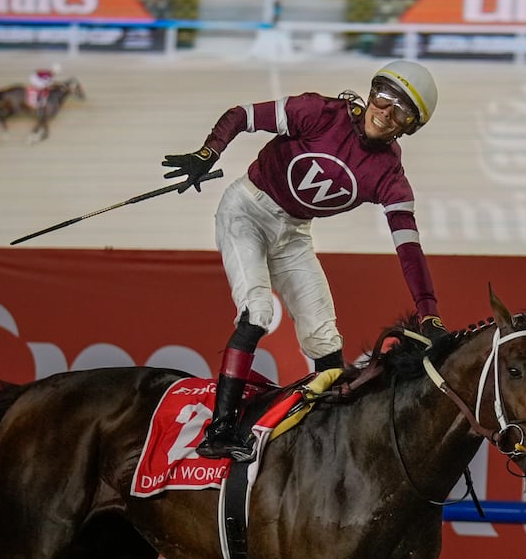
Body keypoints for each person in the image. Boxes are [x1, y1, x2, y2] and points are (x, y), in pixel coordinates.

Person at [162, 59, 447, 462]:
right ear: (371, 92)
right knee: (257, 311)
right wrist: (208, 152)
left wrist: (429, 312)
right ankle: (220, 430)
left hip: (293, 232)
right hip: (246, 209)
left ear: (409, 127)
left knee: (324, 338)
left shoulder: (389, 175)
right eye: (385, 97)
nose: (386, 112)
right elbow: (242, 116)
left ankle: (325, 431)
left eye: (401, 110)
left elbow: (409, 249)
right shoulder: (320, 112)